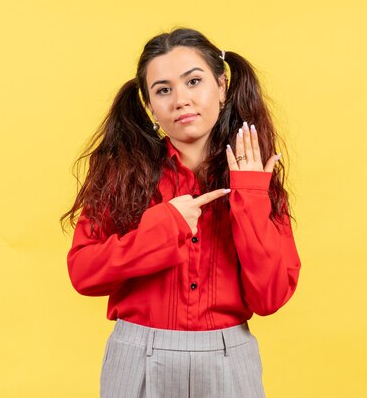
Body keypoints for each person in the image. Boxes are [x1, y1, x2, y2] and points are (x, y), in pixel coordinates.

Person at [61, 27, 301, 398]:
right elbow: (84, 272)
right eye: (163, 90)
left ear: (222, 87)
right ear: (149, 106)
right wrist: (164, 227)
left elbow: (269, 298)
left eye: (194, 81)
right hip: (138, 355)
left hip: (227, 357)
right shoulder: (121, 173)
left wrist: (250, 195)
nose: (181, 100)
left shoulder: (257, 177)